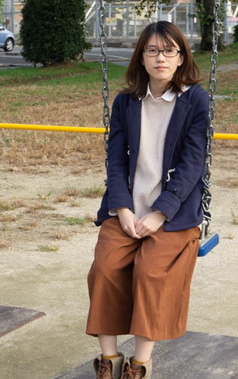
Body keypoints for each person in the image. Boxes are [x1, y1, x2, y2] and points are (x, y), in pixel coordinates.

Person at [86, 21, 209, 379]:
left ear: (181, 57)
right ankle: (109, 360)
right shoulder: (126, 102)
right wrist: (123, 209)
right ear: (141, 57)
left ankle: (139, 364)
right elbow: (115, 161)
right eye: (152, 51)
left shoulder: (195, 100)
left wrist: (161, 213)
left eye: (169, 51)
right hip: (127, 207)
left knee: (150, 272)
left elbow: (193, 163)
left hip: (174, 212)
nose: (161, 58)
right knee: (105, 268)